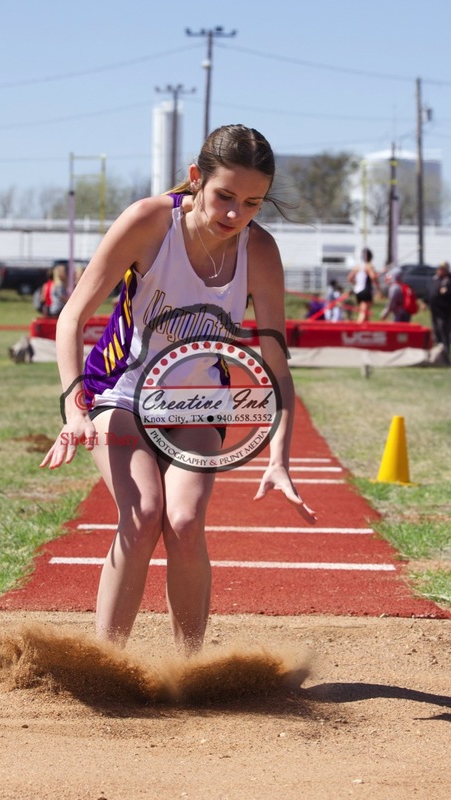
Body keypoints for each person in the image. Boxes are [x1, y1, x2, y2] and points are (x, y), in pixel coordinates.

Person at [40, 124, 317, 655]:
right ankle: (106, 661)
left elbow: (277, 369)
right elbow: (71, 318)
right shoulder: (149, 222)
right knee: (143, 514)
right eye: (225, 196)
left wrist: (279, 459)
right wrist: (75, 409)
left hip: (198, 402)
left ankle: (189, 669)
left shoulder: (260, 251)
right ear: (196, 179)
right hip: (120, 391)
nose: (235, 214)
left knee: (185, 521)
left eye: (252, 203)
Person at [347, 248, 380, 322]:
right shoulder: (369, 266)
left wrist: (355, 284)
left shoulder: (358, 266)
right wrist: (379, 289)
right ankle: (358, 327)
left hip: (358, 291)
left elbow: (349, 278)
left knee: (366, 313)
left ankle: (366, 328)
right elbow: (373, 277)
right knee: (363, 313)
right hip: (366, 291)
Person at [428, 261, 451, 362]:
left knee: (443, 331)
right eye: (439, 269)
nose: (439, 271)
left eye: (442, 269)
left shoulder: (448, 280)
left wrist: (447, 291)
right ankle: (439, 354)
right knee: (436, 331)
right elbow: (430, 291)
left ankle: (445, 354)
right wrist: (425, 301)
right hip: (435, 311)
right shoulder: (435, 279)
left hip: (444, 312)